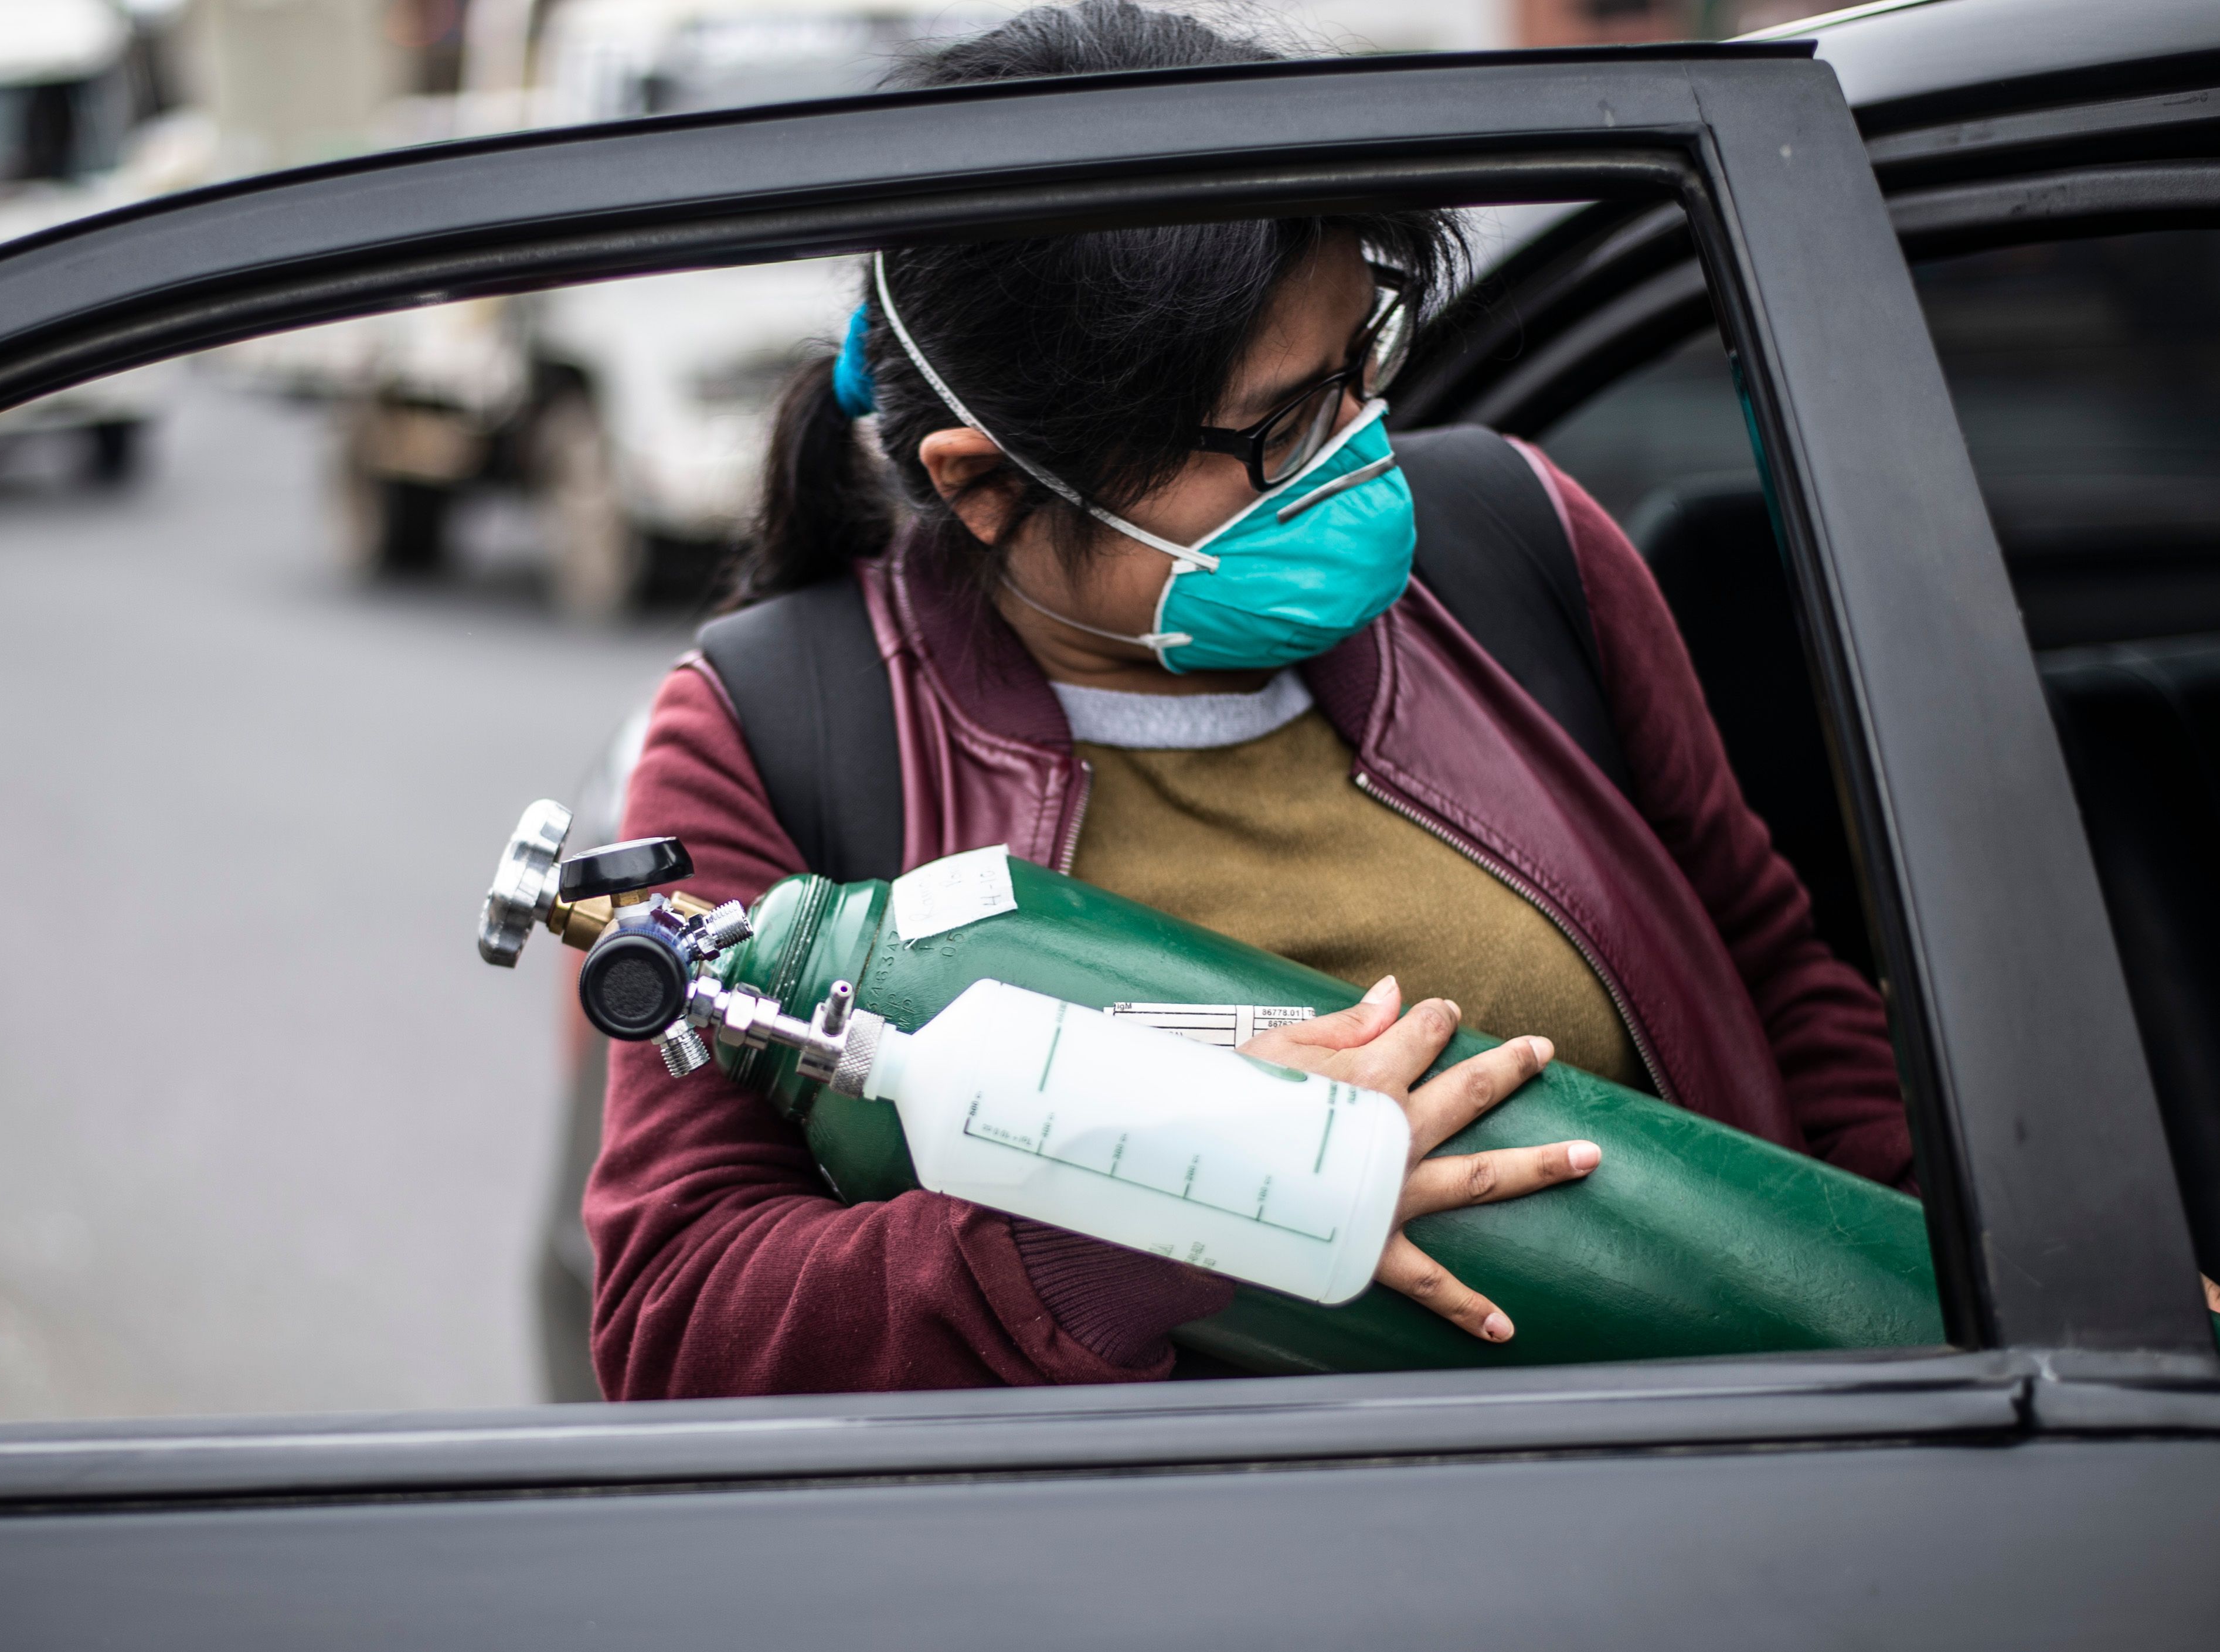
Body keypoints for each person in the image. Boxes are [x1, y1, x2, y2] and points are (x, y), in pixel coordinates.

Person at [583, 0, 1912, 1400]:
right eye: (1277, 430)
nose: (1356, 451)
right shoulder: (776, 730)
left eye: (1361, 366)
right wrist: (1194, 1189)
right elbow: (685, 1319)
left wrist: (1992, 1276)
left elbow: (1780, 988)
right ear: (987, 484)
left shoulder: (1526, 551)